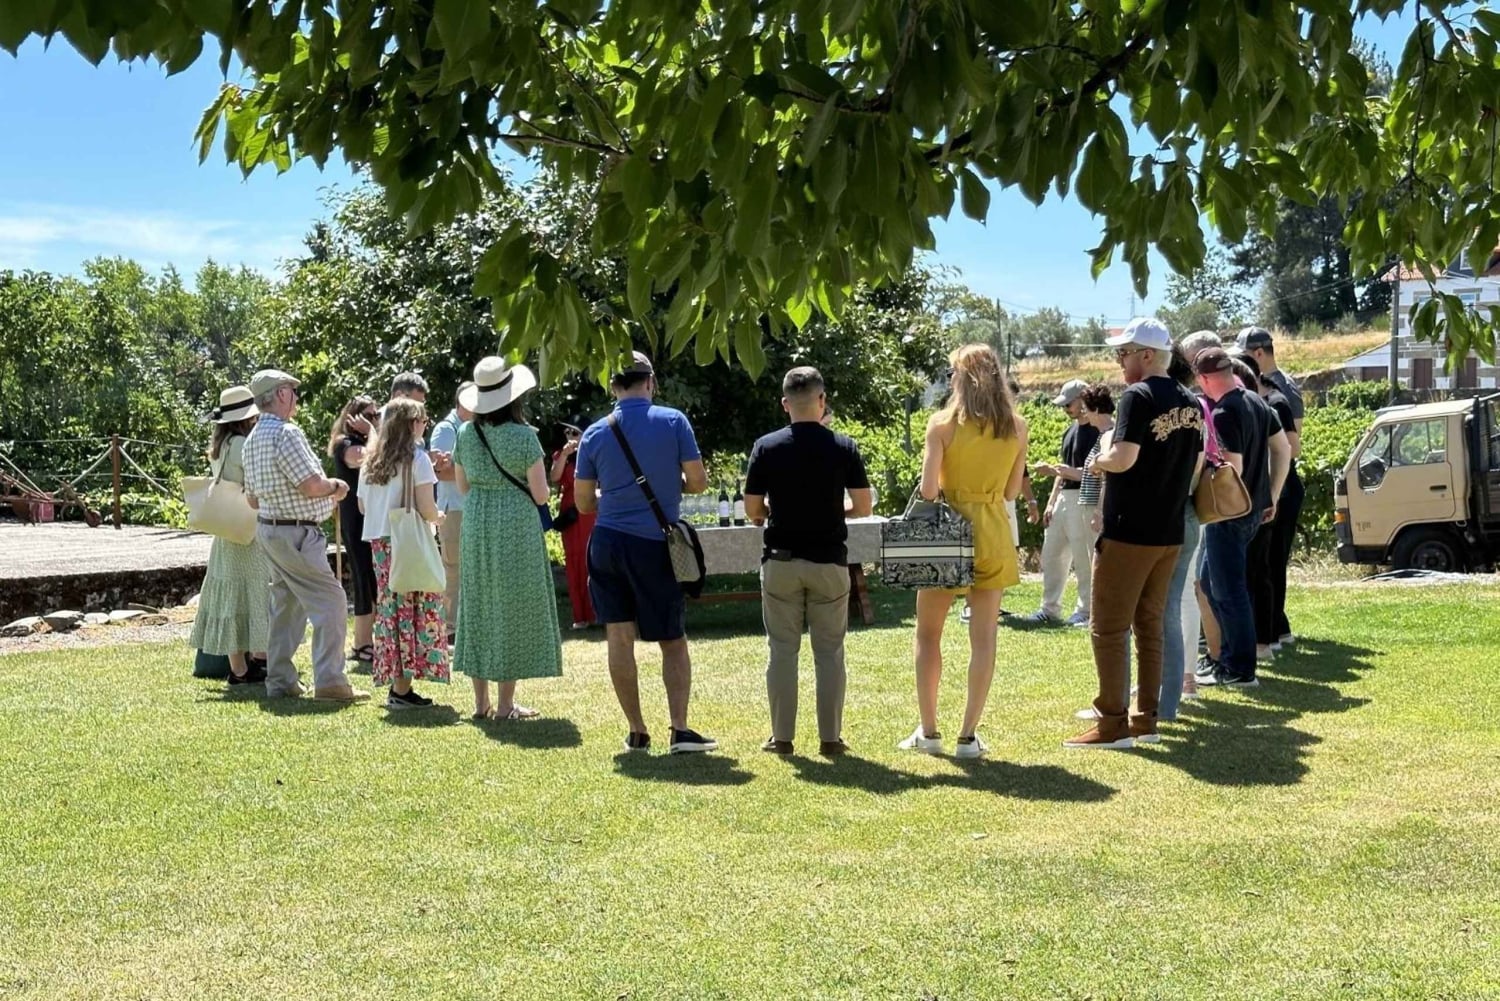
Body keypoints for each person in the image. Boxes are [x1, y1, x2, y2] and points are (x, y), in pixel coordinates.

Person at [1064, 318, 1203, 749]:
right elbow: (1195, 466)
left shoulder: (1137, 397)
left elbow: (1123, 459)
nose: (1119, 361)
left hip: (1129, 533)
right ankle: (1146, 719)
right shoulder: (1192, 403)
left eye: (1123, 353)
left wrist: (1098, 459)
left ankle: (1111, 725)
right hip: (1169, 531)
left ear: (1147, 355)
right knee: (1150, 627)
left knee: (1107, 629)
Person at [575, 351, 716, 754]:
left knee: (618, 637)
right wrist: (668, 487)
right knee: (671, 638)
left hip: (606, 543)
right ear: (650, 382)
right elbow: (700, 482)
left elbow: (584, 502)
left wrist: (615, 494)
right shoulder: (674, 421)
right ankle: (680, 729)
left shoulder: (595, 433)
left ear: (613, 386)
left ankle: (636, 730)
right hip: (653, 543)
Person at [899, 344, 1027, 759]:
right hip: (993, 530)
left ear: (960, 378)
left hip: (946, 532)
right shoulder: (1017, 427)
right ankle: (969, 736)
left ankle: (930, 732)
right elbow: (1010, 491)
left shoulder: (941, 424)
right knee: (984, 639)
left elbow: (930, 489)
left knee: (927, 635)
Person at [743, 367, 873, 757]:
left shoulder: (766, 446)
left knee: (782, 651)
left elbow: (753, 510)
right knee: (830, 653)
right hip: (829, 562)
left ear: (785, 404)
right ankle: (830, 738)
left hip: (781, 561)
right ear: (822, 400)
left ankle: (782, 738)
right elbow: (863, 506)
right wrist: (838, 512)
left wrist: (773, 510)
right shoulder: (844, 447)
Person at [242, 369, 367, 702]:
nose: (296, 398)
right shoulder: (287, 433)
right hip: (297, 533)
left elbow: (252, 498)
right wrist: (336, 487)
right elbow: (311, 485)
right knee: (332, 601)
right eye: (293, 392)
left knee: (286, 606)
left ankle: (281, 681)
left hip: (270, 529)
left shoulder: (252, 438)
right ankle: (330, 681)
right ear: (281, 394)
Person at [452, 357, 562, 719]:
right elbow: (542, 494)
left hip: (478, 521)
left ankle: (480, 703)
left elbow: (463, 486)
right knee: (511, 607)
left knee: (479, 603)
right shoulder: (524, 437)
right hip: (515, 522)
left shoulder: (466, 434)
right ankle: (504, 705)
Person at [1193, 347, 1291, 689]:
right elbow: (1283, 449)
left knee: (1228, 589)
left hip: (1229, 514)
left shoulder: (1223, 413)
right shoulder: (1256, 402)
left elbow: (1231, 469)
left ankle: (1239, 669)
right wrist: (1273, 494)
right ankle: (1229, 658)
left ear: (1204, 379)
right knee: (1209, 582)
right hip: (1254, 510)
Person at [357, 398, 450, 710]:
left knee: (391, 610)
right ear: (411, 424)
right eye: (422, 420)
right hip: (406, 539)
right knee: (412, 609)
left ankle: (397, 683)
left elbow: (362, 505)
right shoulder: (417, 459)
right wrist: (438, 516)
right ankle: (401, 689)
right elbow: (425, 507)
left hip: (380, 543)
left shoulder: (370, 460)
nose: (425, 425)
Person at [188, 385, 269, 685]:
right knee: (257, 590)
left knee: (232, 597)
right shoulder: (242, 446)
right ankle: (257, 660)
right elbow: (257, 482)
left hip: (227, 531)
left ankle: (239, 668)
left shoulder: (220, 446)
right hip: (247, 528)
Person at [1238, 354, 1302, 661]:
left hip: (1279, 490)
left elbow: (1291, 448)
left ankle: (1271, 633)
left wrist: (1273, 494)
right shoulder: (1266, 403)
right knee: (1266, 566)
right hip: (1271, 491)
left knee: (1268, 565)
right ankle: (1277, 628)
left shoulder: (1274, 403)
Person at [1157, 344, 1206, 719]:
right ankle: (1183, 680)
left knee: (1155, 608)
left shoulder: (1150, 404)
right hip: (1190, 511)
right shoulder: (1198, 407)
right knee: (1181, 601)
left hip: (1161, 515)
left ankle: (1156, 691)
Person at [1028, 379, 1097, 627]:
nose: (1066, 409)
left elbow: (1092, 472)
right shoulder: (1069, 431)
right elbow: (1063, 469)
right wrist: (1050, 502)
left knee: (1083, 557)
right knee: (1052, 554)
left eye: (1069, 403)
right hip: (1064, 499)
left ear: (1083, 399)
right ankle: (1049, 608)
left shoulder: (1098, 431)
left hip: (1085, 497)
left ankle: (1086, 610)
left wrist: (1060, 471)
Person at [328, 395, 379, 667]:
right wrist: (373, 433)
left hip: (371, 517)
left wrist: (373, 432)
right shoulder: (345, 444)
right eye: (369, 416)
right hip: (355, 518)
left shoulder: (367, 439)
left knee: (374, 577)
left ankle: (371, 639)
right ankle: (361, 643)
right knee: (362, 576)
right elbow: (369, 459)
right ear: (353, 418)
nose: (375, 420)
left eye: (377, 415)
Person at [429, 383, 474, 633]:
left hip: (468, 507)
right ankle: (450, 627)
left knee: (469, 569)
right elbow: (441, 471)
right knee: (453, 568)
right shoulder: (446, 429)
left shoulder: (471, 428)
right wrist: (475, 471)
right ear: (463, 402)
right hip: (454, 509)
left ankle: (466, 625)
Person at [550, 418, 598, 630]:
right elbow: (554, 477)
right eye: (567, 433)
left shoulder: (593, 452)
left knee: (592, 560)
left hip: (590, 510)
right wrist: (565, 456)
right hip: (571, 513)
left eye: (575, 433)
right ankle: (580, 615)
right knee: (574, 561)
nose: (570, 437)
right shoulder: (562, 456)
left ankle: (597, 613)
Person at [1236, 327, 1304, 434]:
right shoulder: (1258, 381)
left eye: (1242, 356)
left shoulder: (1286, 390)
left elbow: (1292, 443)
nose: (1238, 361)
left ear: (1259, 353)